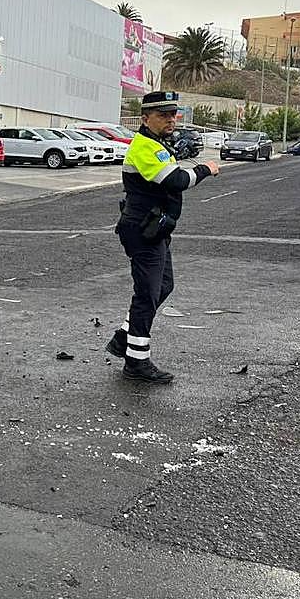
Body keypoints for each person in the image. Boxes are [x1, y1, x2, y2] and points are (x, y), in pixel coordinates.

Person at [105, 91, 220, 383]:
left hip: (155, 229)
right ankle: (136, 363)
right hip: (142, 231)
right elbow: (176, 180)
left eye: (173, 114)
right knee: (147, 295)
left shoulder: (157, 144)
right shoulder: (144, 147)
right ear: (145, 119)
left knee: (163, 286)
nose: (171, 119)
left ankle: (123, 338)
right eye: (162, 115)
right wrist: (206, 169)